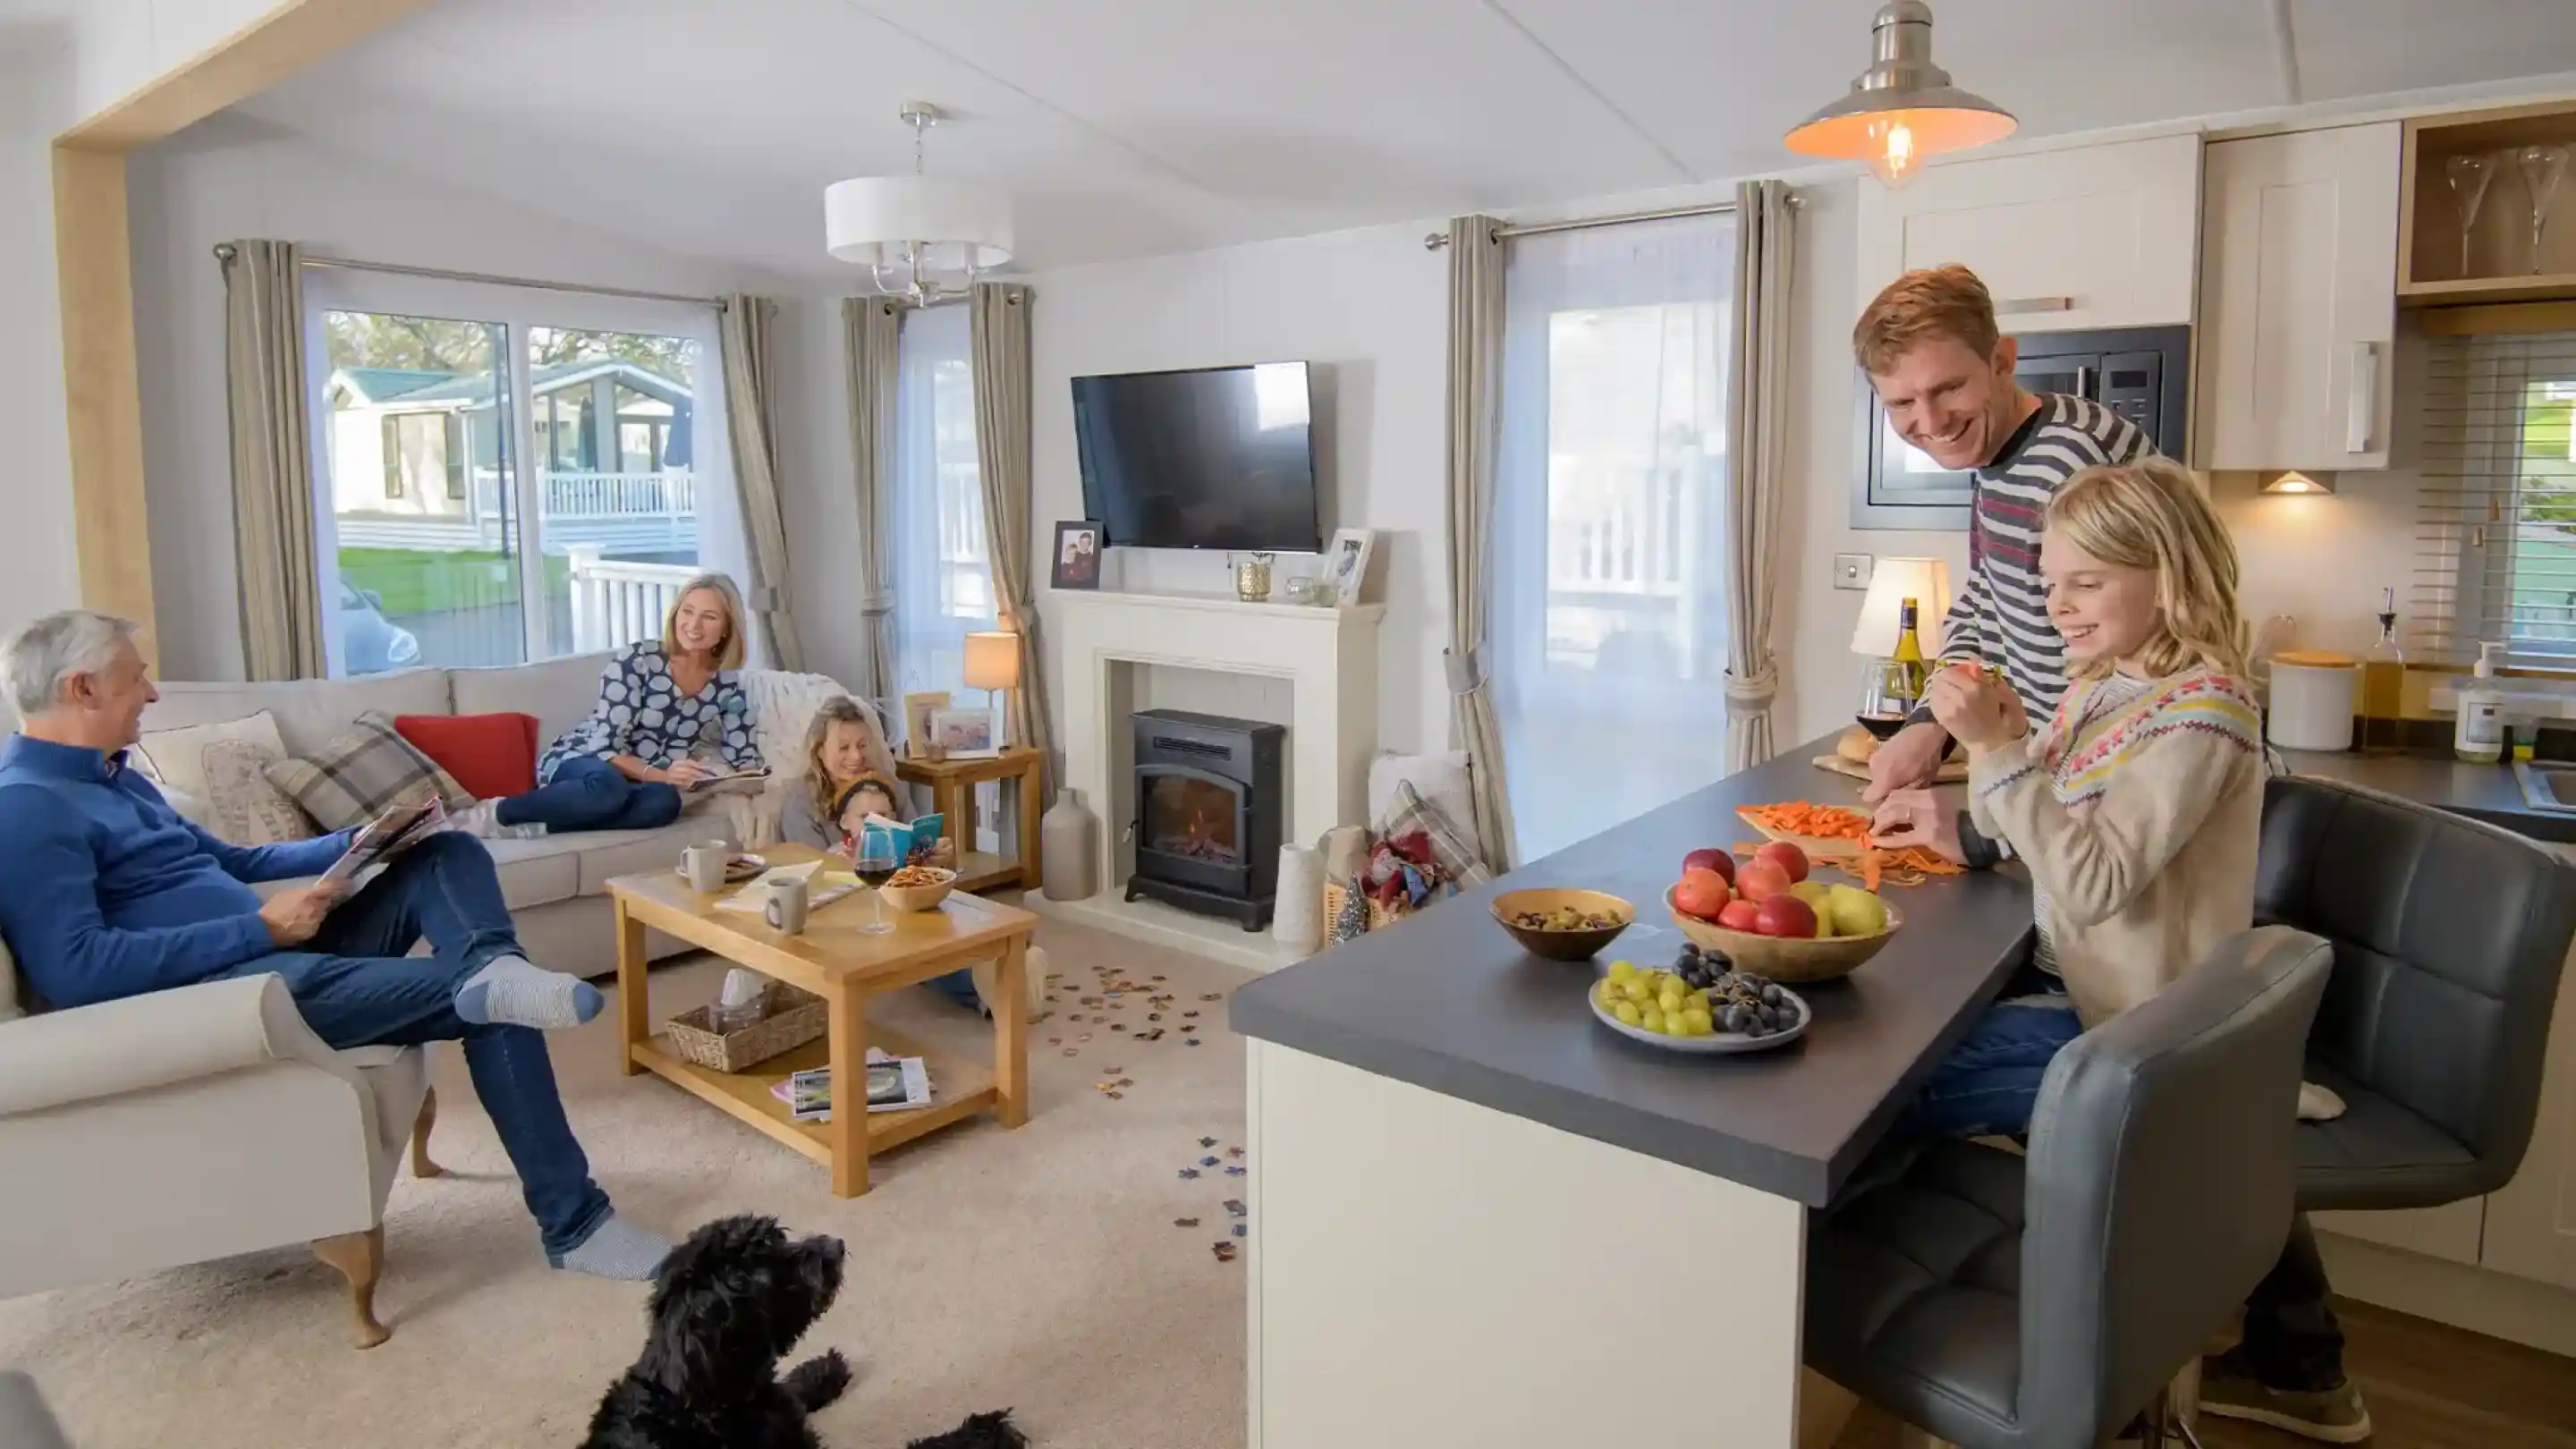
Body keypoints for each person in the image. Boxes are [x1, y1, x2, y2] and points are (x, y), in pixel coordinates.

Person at [1868, 460, 2369, 1443]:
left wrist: (2003, 756)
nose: (2058, 607)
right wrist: (1984, 790)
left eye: (2086, 584)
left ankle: (2016, 1355)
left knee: (1883, 1092)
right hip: (2091, 986)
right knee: (1897, 1041)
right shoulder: (2113, 684)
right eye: (2050, 581)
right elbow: (2040, 819)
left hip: (2131, 1027)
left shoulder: (2203, 716)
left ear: (2170, 573)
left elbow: (2093, 876)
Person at [0, 610, 669, 1280]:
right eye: (135, 676)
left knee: (446, 851)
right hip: (231, 993)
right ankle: (577, 1226)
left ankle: (493, 965)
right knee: (499, 1004)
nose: (150, 692)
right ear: (82, 689)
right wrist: (260, 929)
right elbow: (77, 971)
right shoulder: (27, 806)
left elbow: (231, 862)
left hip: (273, 954)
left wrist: (355, 842)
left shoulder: (116, 778)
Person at [1852, 265, 2155, 809]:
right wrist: (1930, 725)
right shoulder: (2002, 456)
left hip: (2110, 804)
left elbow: (2119, 667)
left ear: (2003, 363)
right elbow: (1984, 601)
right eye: (1901, 403)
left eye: (1948, 388)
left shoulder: (2072, 463)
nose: (1932, 421)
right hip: (2057, 794)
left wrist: (1988, 831)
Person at [453, 573, 758, 838]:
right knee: (608, 787)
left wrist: (751, 779)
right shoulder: (638, 660)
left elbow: (742, 753)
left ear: (727, 628)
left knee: (665, 803)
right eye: (687, 611)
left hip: (636, 782)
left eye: (709, 616)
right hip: (585, 760)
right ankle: (496, 813)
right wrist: (665, 775)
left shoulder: (727, 685)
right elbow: (606, 748)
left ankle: (541, 825)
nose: (694, 624)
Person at [778, 697, 976, 1010]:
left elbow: (912, 844)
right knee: (917, 951)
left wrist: (939, 855)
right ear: (819, 751)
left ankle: (991, 968)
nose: (856, 756)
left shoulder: (889, 787)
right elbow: (810, 878)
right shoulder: (800, 802)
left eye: (861, 744)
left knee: (942, 929)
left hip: (902, 895)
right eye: (843, 748)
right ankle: (987, 981)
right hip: (840, 912)